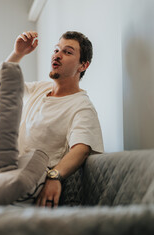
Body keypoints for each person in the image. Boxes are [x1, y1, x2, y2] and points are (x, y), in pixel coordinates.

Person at [6, 30, 104, 208]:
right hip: (9, 171)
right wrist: (18, 53)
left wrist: (55, 176)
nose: (57, 55)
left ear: (83, 66)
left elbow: (81, 149)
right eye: (56, 50)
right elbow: (2, 84)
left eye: (67, 52)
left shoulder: (81, 106)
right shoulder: (41, 89)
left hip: (33, 182)